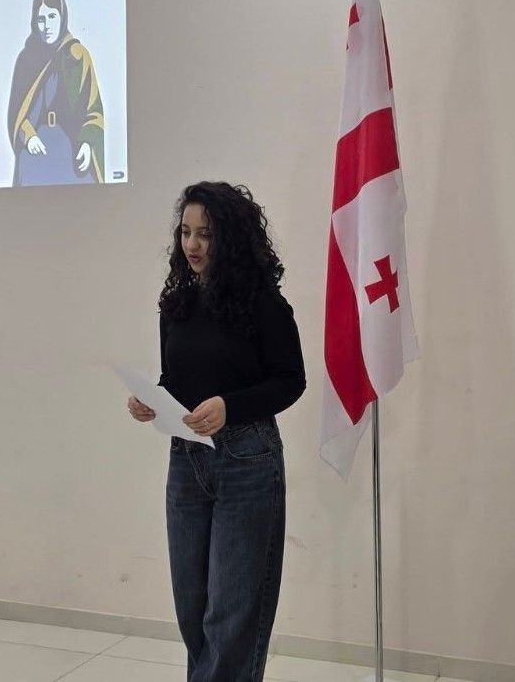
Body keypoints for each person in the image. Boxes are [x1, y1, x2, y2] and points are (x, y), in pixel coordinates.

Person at [127, 181, 306, 681]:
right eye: (185, 232)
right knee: (192, 607)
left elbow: (291, 380)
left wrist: (231, 406)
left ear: (230, 237)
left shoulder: (264, 304)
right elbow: (178, 379)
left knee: (230, 614)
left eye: (205, 234)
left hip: (247, 461)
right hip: (186, 460)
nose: (193, 244)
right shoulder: (176, 305)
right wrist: (152, 399)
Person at [7, 0, 105, 186]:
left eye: (52, 16)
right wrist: (29, 137)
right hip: (36, 150)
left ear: (62, 17)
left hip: (71, 153)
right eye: (41, 19)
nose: (47, 26)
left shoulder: (78, 55)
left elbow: (93, 111)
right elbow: (17, 113)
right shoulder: (26, 60)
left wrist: (87, 143)